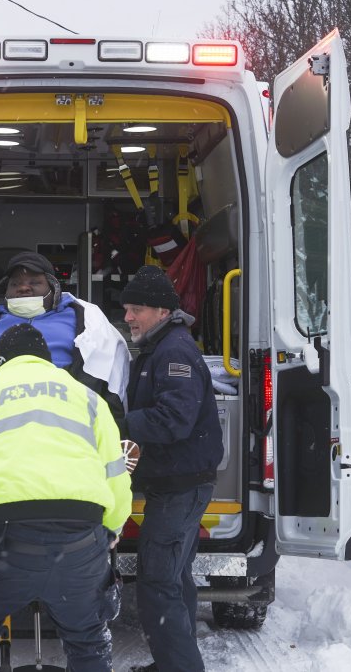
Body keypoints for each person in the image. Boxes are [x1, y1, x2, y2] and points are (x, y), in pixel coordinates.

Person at [0, 324, 133, 672]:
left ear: (0, 362)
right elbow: (115, 475)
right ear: (46, 360)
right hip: (81, 541)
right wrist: (112, 529)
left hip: (6, 542)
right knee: (88, 639)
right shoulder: (89, 399)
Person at [120, 266, 224, 672]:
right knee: (175, 579)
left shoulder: (174, 352)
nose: (128, 317)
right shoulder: (160, 347)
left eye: (137, 309)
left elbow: (174, 419)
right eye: (127, 308)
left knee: (158, 583)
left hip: (181, 487)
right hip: (175, 483)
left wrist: (118, 424)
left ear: (163, 311)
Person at [0, 251, 130, 427]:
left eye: (35, 282)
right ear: (5, 291)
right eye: (15, 283)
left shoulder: (85, 321)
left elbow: (108, 377)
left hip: (68, 421)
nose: (23, 287)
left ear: (53, 287)